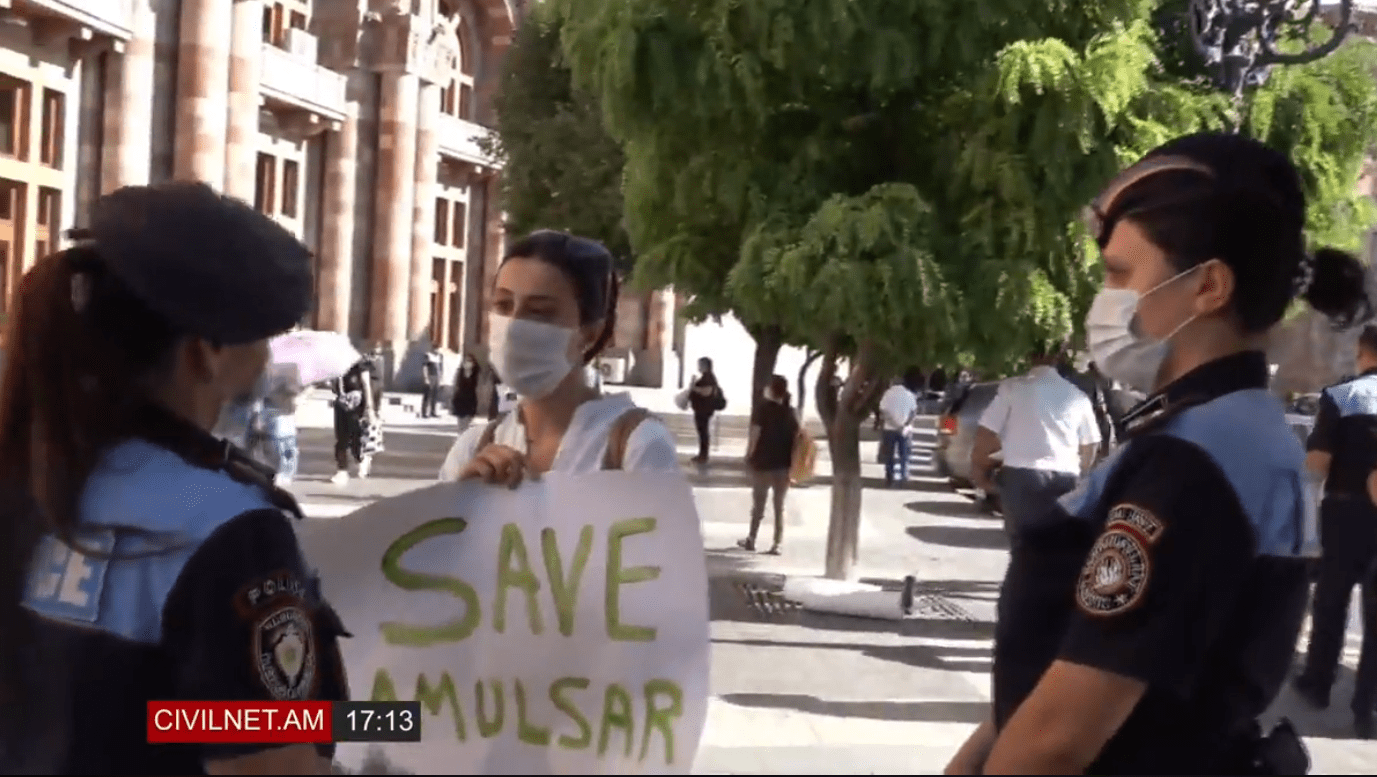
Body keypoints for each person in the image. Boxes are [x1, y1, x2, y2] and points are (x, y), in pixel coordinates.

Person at [946, 133, 1372, 774]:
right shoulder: (1216, 429)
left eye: (1120, 274)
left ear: (1209, 286)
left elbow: (1056, 740)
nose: (1104, 298)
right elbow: (1069, 658)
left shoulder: (1197, 461)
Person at [0, 182, 347, 774]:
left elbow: (164, 718)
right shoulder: (226, 527)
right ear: (206, 350)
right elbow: (267, 759)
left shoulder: (29, 476)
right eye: (263, 337)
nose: (268, 361)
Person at [438, 229, 681, 482]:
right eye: (503, 305)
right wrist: (464, 497)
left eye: (539, 311)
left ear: (589, 333)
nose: (513, 326)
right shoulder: (471, 448)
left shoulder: (638, 445)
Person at [1294, 324, 1377, 734]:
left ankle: (1318, 682)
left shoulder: (1345, 395)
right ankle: (1367, 707)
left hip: (1345, 513)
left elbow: (1317, 465)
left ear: (1363, 352)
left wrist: (1307, 527)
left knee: (1331, 601)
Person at [971, 339, 1101, 544]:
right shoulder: (1078, 396)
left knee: (1022, 545)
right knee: (1057, 545)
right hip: (1065, 478)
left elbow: (985, 433)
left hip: (1021, 478)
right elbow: (1091, 445)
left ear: (1029, 355)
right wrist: (1080, 473)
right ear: (1059, 356)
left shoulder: (1012, 388)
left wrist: (980, 474)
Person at [738, 375, 800, 554]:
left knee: (758, 504)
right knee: (779, 506)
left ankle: (752, 539)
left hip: (762, 463)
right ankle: (777, 543)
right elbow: (797, 440)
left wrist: (748, 456)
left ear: (771, 389)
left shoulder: (762, 409)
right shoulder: (791, 412)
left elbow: (755, 435)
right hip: (783, 465)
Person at [330, 356, 379, 485]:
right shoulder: (335, 363)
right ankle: (342, 470)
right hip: (341, 402)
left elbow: (366, 385)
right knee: (341, 439)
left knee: (356, 437)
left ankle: (361, 458)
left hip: (357, 405)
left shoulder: (359, 362)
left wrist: (369, 408)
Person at [262, 364, 303, 488]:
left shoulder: (290, 368)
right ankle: (277, 471)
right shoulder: (264, 367)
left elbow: (295, 389)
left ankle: (286, 473)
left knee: (285, 444)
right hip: (268, 408)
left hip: (284, 411)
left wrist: (288, 388)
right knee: (272, 444)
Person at [878, 376, 918, 486]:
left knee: (889, 454)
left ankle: (889, 477)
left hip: (889, 428)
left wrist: (894, 424)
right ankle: (903, 476)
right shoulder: (910, 395)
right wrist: (905, 425)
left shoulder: (887, 394)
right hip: (905, 430)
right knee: (904, 454)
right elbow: (913, 412)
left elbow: (883, 412)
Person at [688, 357, 723, 464]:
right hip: (702, 409)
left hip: (703, 410)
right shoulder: (707, 377)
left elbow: (707, 391)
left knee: (703, 432)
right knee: (702, 432)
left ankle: (703, 455)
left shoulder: (708, 378)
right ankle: (702, 454)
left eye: (700, 365)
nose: (698, 367)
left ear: (705, 366)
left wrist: (694, 388)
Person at [451, 353, 481, 433]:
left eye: (470, 361)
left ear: (473, 363)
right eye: (466, 360)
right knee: (461, 423)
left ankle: (464, 436)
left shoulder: (476, 373)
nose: (468, 363)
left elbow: (478, 387)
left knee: (467, 422)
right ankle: (461, 436)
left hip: (470, 400)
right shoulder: (460, 372)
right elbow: (455, 385)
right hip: (460, 399)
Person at [420, 345, 442, 418]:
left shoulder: (439, 356)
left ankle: (433, 412)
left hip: (437, 377)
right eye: (436, 349)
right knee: (427, 395)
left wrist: (440, 379)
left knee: (435, 395)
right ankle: (424, 412)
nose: (437, 350)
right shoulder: (428, 355)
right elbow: (425, 367)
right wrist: (426, 378)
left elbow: (440, 369)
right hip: (430, 376)